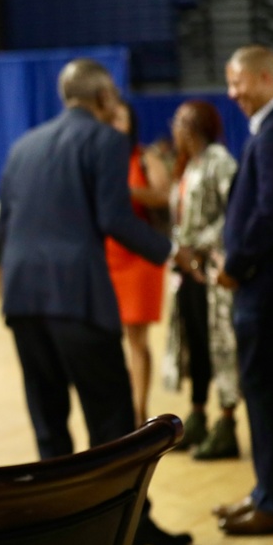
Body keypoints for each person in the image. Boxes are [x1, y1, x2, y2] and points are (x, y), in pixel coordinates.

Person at [0, 58, 197, 545]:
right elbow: (115, 218)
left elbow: (5, 226)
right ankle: (131, 529)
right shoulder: (106, 140)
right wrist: (174, 252)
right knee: (112, 426)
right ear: (105, 97)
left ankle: (57, 529)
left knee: (49, 424)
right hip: (77, 297)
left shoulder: (23, 145)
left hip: (22, 297)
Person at [213, 45, 273, 536]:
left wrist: (237, 266)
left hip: (266, 288)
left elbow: (272, 212)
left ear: (264, 76)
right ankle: (268, 490)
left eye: (238, 82)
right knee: (267, 396)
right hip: (268, 286)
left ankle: (272, 502)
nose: (232, 93)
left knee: (263, 395)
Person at [161, 100, 240, 459]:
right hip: (187, 272)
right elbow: (178, 220)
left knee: (219, 344)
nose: (174, 127)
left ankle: (226, 424)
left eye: (179, 121)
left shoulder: (219, 161)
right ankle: (196, 415)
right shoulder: (185, 166)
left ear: (195, 126)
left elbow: (234, 213)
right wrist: (180, 250)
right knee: (194, 343)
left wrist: (197, 247)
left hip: (212, 270)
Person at [104, 100, 170, 425]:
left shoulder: (145, 157)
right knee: (106, 338)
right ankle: (119, 408)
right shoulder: (99, 157)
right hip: (106, 257)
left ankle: (139, 409)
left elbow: (164, 196)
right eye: (110, 117)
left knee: (137, 339)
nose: (115, 123)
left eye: (121, 117)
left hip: (140, 257)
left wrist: (127, 191)